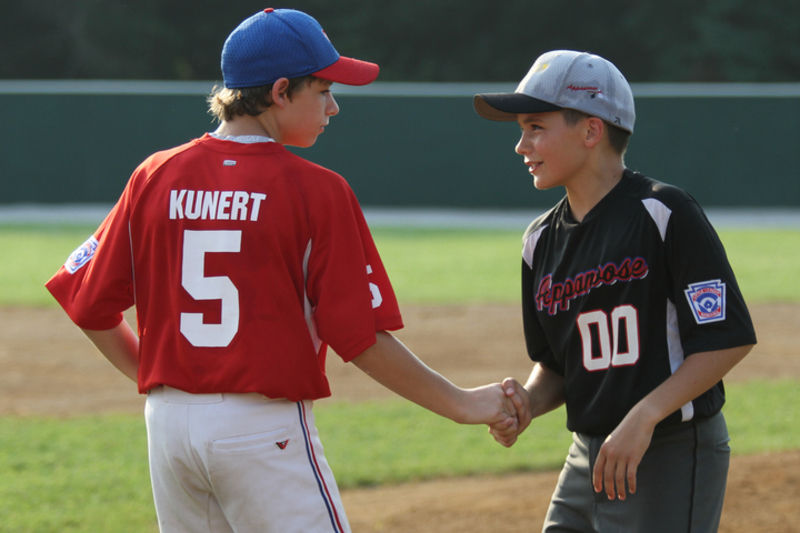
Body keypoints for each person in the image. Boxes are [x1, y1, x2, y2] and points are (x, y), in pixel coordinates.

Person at [46, 9, 518, 533]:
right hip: (260, 430)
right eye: (323, 91)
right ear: (279, 92)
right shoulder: (317, 190)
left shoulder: (153, 175)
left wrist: (161, 382)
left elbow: (88, 304)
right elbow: (359, 337)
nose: (334, 107)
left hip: (167, 427)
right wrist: (462, 404)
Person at [475, 50, 757, 532]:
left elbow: (727, 338)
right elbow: (559, 365)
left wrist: (644, 417)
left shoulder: (663, 213)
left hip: (668, 446)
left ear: (591, 131)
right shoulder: (539, 241)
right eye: (521, 129)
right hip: (588, 454)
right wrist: (527, 404)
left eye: (536, 127)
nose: (521, 146)